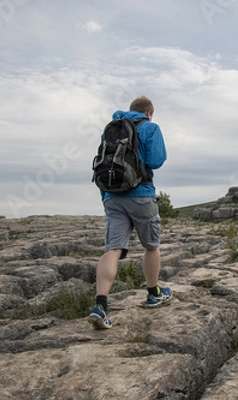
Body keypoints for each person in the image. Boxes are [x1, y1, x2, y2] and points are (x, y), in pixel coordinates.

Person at [88, 96, 173, 330]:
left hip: (112, 196)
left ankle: (100, 305)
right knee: (151, 246)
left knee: (113, 248)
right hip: (141, 193)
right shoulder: (149, 127)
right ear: (148, 112)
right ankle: (153, 293)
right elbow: (156, 161)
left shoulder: (112, 129)